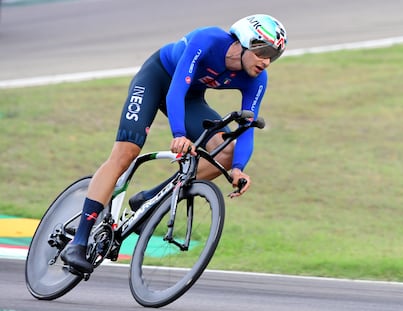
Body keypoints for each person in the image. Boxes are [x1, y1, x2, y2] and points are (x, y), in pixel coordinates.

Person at [60, 14, 288, 273]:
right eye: (264, 52)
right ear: (246, 41)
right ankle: (78, 242)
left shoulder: (257, 79)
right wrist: (179, 133)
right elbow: (176, 89)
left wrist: (238, 167)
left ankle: (150, 200)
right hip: (157, 80)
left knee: (224, 154)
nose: (267, 62)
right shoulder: (208, 40)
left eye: (274, 56)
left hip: (190, 98)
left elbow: (247, 127)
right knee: (125, 154)